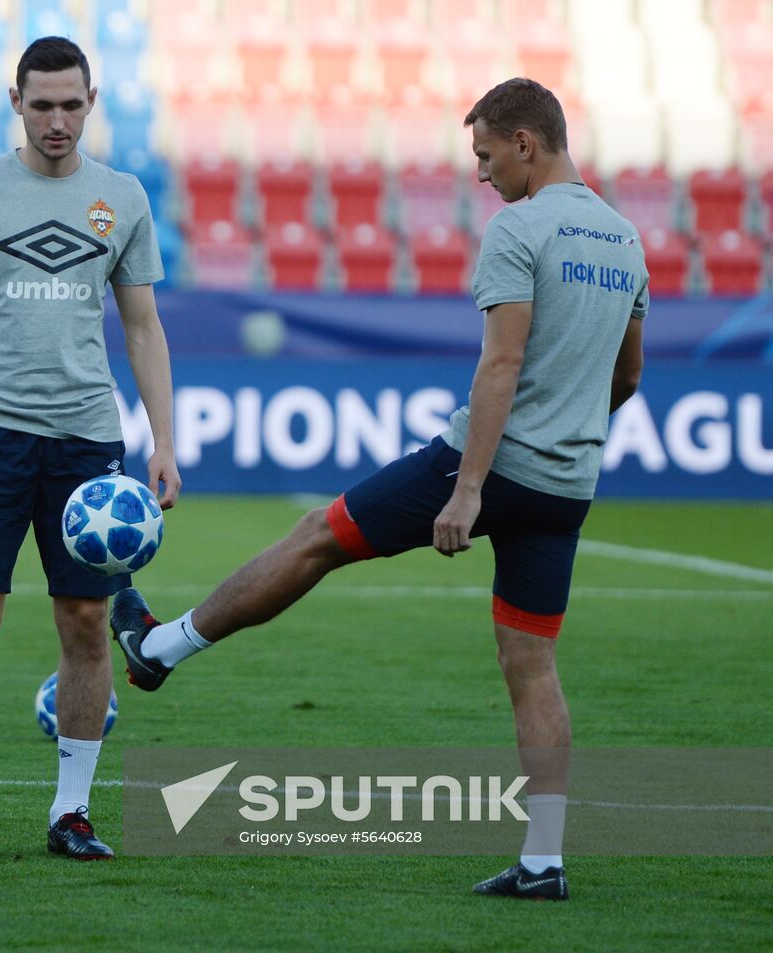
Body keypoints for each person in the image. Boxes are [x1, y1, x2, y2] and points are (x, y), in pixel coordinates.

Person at [112, 78, 648, 900]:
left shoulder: (520, 229)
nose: (480, 174)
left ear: (526, 144)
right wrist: (571, 422)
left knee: (317, 537)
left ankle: (160, 648)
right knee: (532, 665)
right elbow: (626, 376)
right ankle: (543, 861)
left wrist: (468, 489)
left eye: (484, 155)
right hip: (567, 484)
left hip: (486, 464)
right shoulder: (625, 241)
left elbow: (500, 363)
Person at [0, 37, 181, 861]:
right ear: (16, 102)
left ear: (91, 102)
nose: (57, 120)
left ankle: (72, 810)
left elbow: (142, 325)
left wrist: (163, 440)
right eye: (41, 104)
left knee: (88, 623)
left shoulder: (121, 197)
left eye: (71, 104)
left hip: (88, 438)